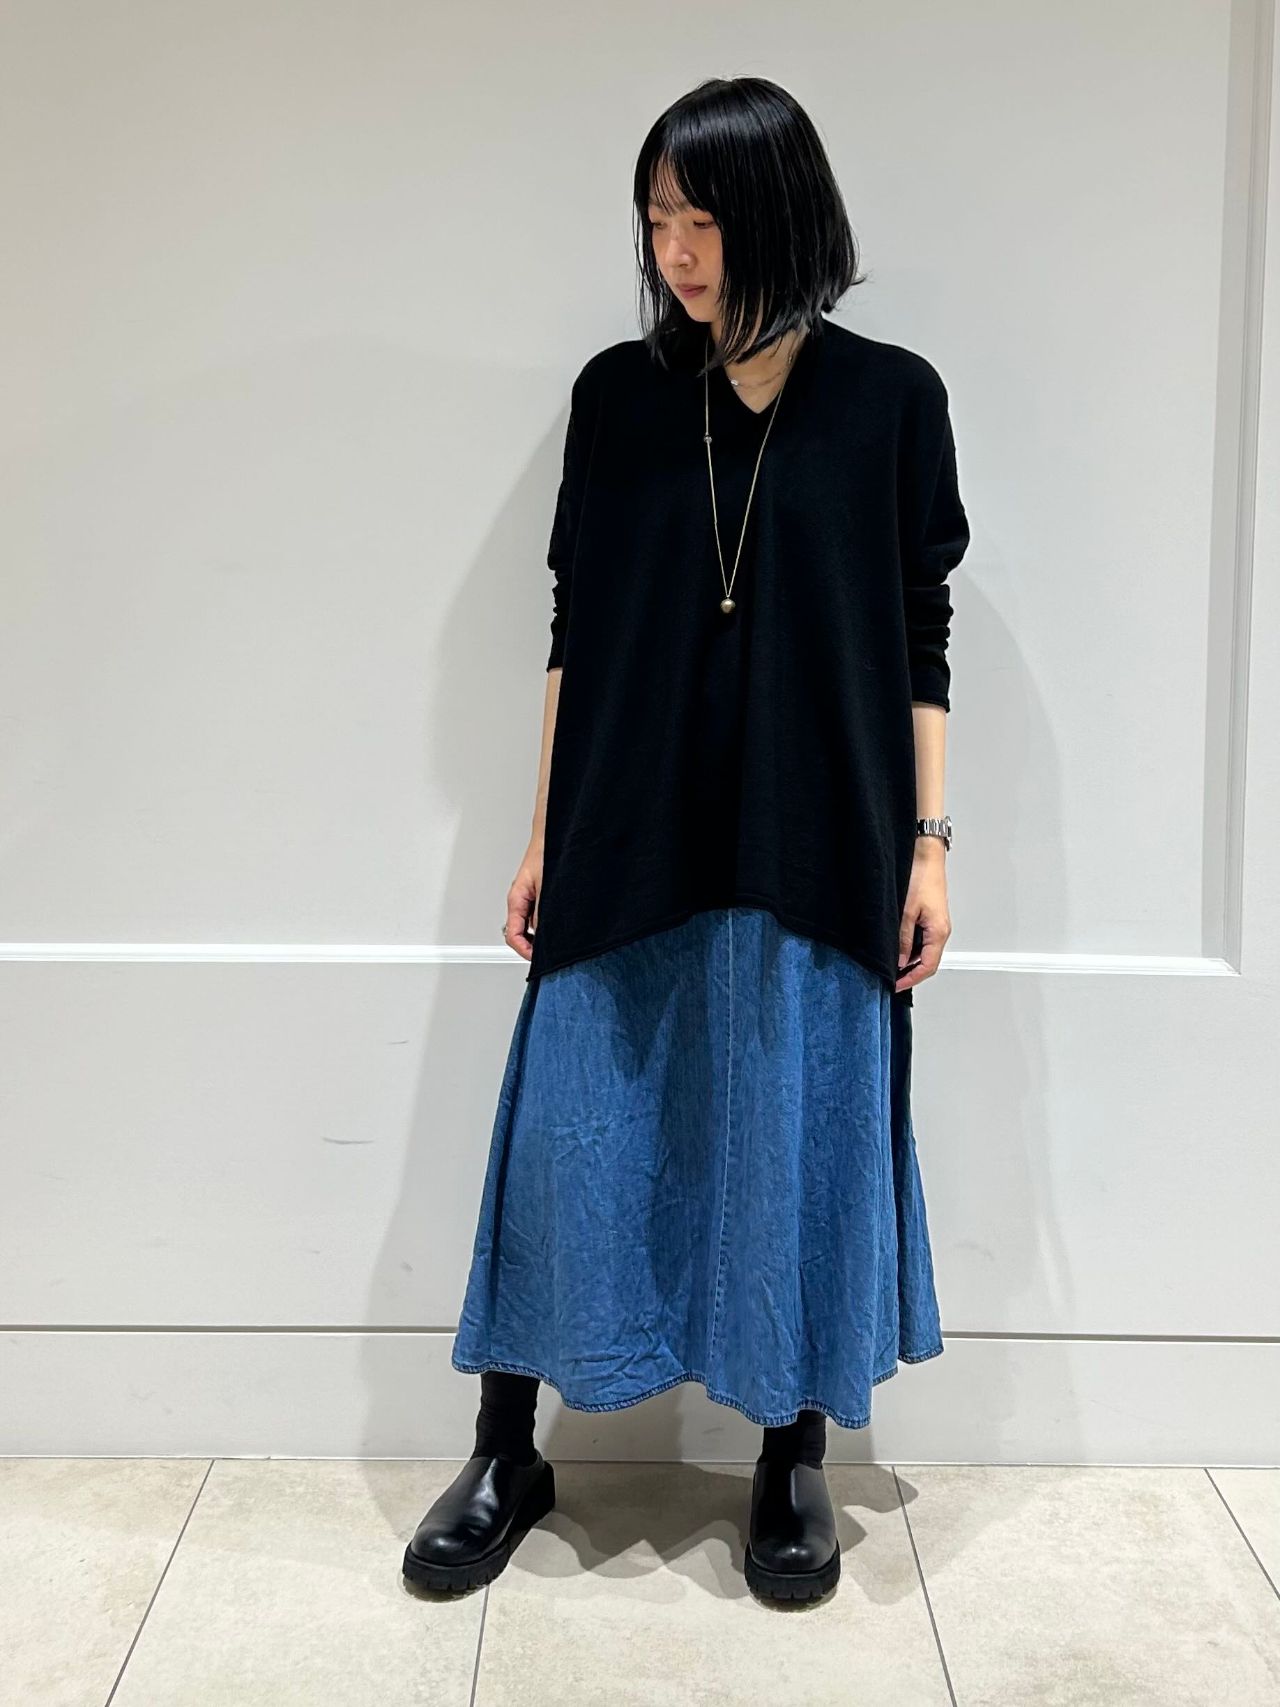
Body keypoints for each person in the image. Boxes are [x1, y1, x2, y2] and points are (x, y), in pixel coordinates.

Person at [403, 74, 969, 1605]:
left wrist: (928, 846)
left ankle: (791, 1455)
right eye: (657, 217)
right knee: (570, 1139)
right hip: (627, 821)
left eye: (703, 218)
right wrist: (541, 834)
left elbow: (919, 634)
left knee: (792, 1136)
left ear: (779, 216)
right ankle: (508, 1446)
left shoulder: (893, 400)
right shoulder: (618, 397)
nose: (675, 250)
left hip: (820, 828)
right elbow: (575, 628)